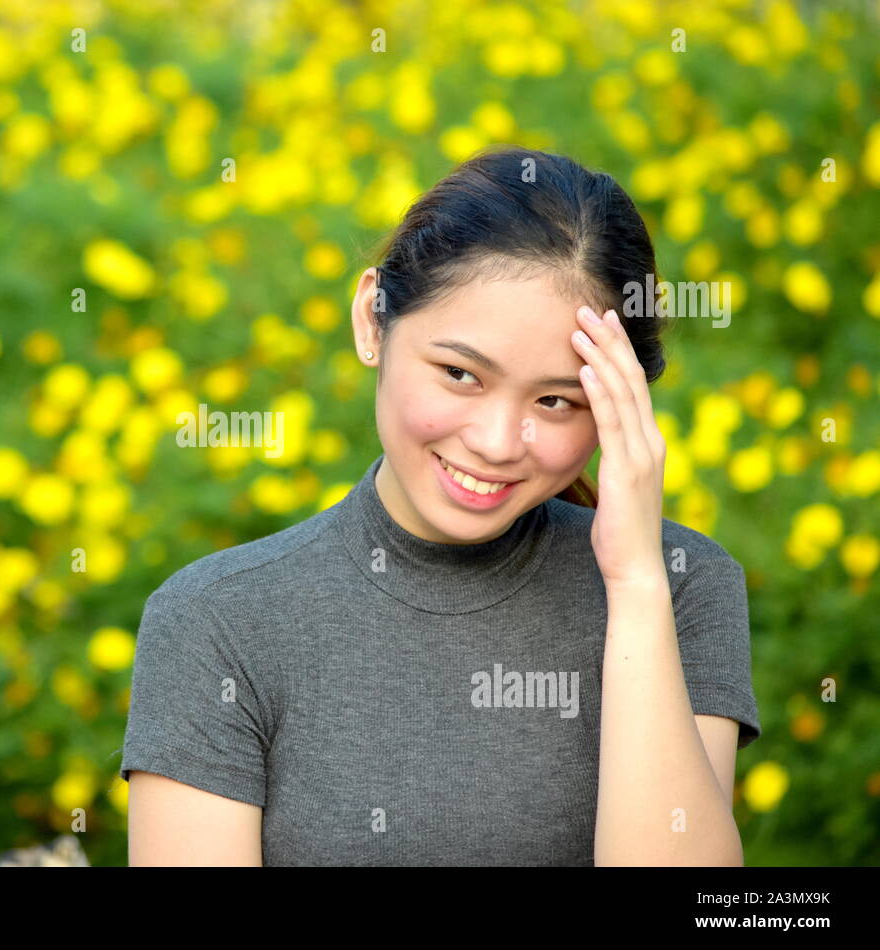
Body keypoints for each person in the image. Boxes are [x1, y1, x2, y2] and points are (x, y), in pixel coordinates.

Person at [117, 146, 760, 866]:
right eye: (460, 374)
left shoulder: (683, 585)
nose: (494, 442)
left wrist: (637, 585)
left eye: (556, 401)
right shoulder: (217, 621)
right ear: (373, 321)